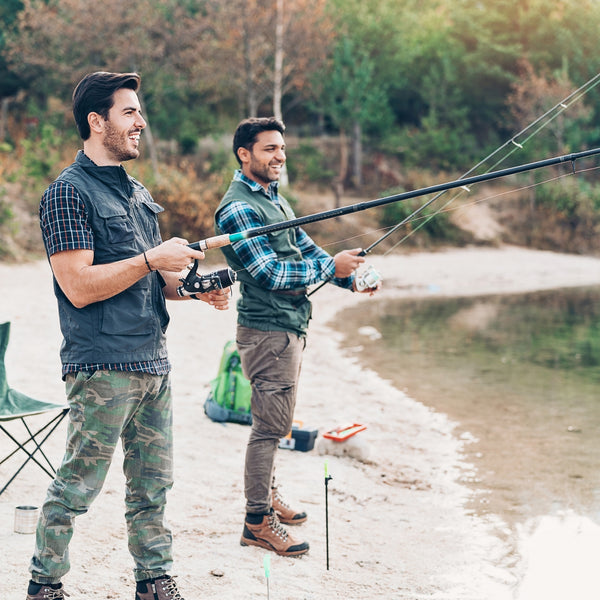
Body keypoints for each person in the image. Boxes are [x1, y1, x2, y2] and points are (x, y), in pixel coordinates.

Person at [26, 71, 230, 600]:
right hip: (101, 365)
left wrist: (196, 290)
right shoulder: (66, 194)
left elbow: (158, 279)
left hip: (152, 362)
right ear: (96, 122)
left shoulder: (137, 192)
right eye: (128, 112)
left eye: (139, 111)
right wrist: (149, 259)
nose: (140, 122)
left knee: (152, 490)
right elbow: (77, 287)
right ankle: (44, 584)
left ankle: (155, 582)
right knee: (77, 487)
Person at [214, 117, 380, 557]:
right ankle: (256, 521)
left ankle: (267, 496)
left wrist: (352, 278)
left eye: (282, 148)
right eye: (269, 148)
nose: (280, 156)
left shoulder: (275, 200)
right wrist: (332, 268)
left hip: (287, 325)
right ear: (244, 154)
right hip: (267, 329)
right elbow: (268, 272)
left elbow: (306, 252)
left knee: (277, 419)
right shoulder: (237, 208)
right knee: (268, 429)